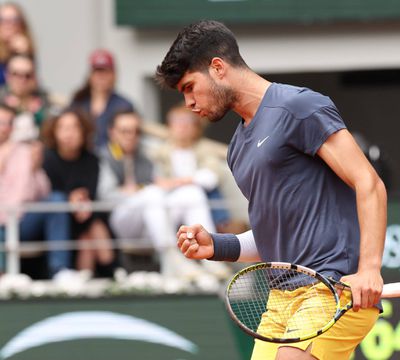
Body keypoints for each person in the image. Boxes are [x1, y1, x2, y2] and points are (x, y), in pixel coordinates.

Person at [156, 20, 387, 360]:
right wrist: (216, 246)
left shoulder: (299, 107)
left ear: (218, 68)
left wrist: (369, 268)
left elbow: (368, 182)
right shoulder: (237, 150)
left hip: (333, 286)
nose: (189, 102)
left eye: (190, 86)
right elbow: (271, 237)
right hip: (281, 300)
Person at [97, 111, 219, 280]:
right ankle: (173, 258)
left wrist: (143, 189)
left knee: (192, 192)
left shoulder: (146, 154)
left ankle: (211, 255)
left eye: (135, 131)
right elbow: (105, 196)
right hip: (123, 221)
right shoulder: (103, 156)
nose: (131, 136)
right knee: (151, 193)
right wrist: (139, 192)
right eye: (125, 131)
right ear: (112, 132)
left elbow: (161, 185)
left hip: (151, 220)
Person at [151, 104, 246, 234]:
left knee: (194, 192)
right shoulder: (161, 152)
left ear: (196, 128)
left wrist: (184, 182)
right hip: (172, 203)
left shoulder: (204, 149)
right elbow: (157, 180)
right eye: (177, 121)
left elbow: (211, 177)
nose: (182, 127)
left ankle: (208, 238)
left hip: (202, 200)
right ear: (169, 126)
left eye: (187, 122)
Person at [0, 103, 70, 278]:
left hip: (21, 220)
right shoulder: (10, 150)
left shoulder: (24, 151)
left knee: (57, 200)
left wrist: (35, 169)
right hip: (3, 222)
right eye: (1, 122)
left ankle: (60, 271)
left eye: (10, 123)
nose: (5, 128)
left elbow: (42, 193)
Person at [41, 109, 114, 275]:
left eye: (74, 128)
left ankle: (88, 279)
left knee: (89, 231)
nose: (69, 134)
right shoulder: (47, 159)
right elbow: (48, 193)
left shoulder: (91, 159)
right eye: (63, 128)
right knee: (88, 231)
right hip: (56, 220)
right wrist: (71, 198)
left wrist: (81, 199)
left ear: (83, 132)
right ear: (54, 132)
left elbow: (92, 192)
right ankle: (113, 272)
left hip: (84, 216)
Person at [71, 49, 134, 149]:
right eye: (97, 71)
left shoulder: (123, 105)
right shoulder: (79, 101)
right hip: (81, 158)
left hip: (113, 155)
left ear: (113, 75)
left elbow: (125, 141)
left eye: (105, 72)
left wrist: (112, 158)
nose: (101, 77)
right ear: (90, 75)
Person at [0, 55, 50, 142]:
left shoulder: (44, 101)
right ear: (7, 75)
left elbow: (50, 133)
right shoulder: (1, 98)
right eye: (16, 74)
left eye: (27, 75)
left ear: (34, 77)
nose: (22, 80)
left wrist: (37, 115)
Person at [0, 3, 35, 85]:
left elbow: (29, 84)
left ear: (22, 24)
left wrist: (24, 54)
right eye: (2, 20)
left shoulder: (26, 49)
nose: (8, 25)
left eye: (14, 20)